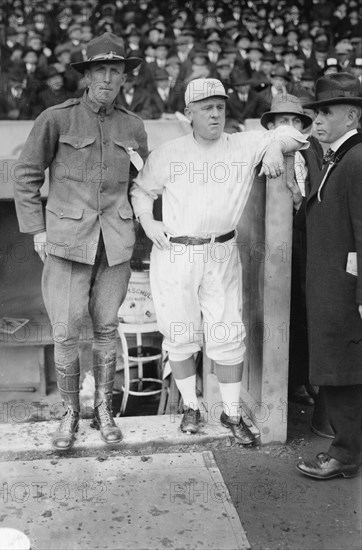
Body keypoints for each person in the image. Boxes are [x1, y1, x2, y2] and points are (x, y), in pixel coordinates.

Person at [130, 78, 309, 444]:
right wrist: (148, 222)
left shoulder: (243, 143)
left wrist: (274, 145)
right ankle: (191, 407)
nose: (215, 114)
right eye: (206, 108)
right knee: (180, 333)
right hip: (175, 250)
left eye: (220, 107)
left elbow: (296, 132)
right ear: (188, 113)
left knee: (227, 332)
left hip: (221, 251)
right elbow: (141, 191)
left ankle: (230, 414)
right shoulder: (169, 151)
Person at [14, 33, 148, 451]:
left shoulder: (134, 125)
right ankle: (70, 413)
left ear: (125, 77)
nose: (108, 78)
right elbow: (26, 176)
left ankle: (103, 409)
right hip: (68, 241)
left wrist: (139, 228)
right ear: (86, 76)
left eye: (116, 71)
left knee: (106, 328)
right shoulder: (56, 118)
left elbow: (142, 183)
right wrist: (38, 230)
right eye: (100, 70)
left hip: (116, 242)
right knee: (66, 329)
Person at [295, 73, 362, 479]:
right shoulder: (336, 156)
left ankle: (345, 454)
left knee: (344, 374)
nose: (316, 120)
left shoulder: (356, 160)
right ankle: (348, 448)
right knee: (342, 370)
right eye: (315, 113)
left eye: (326, 112)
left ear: (352, 114)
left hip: (344, 289)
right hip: (330, 287)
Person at [260, 94, 322, 408]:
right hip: (269, 247)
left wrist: (300, 201)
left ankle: (305, 378)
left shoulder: (314, 155)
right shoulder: (261, 154)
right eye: (283, 121)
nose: (289, 127)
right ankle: (283, 383)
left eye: (296, 121)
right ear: (270, 125)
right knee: (278, 313)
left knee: (305, 308)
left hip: (305, 240)